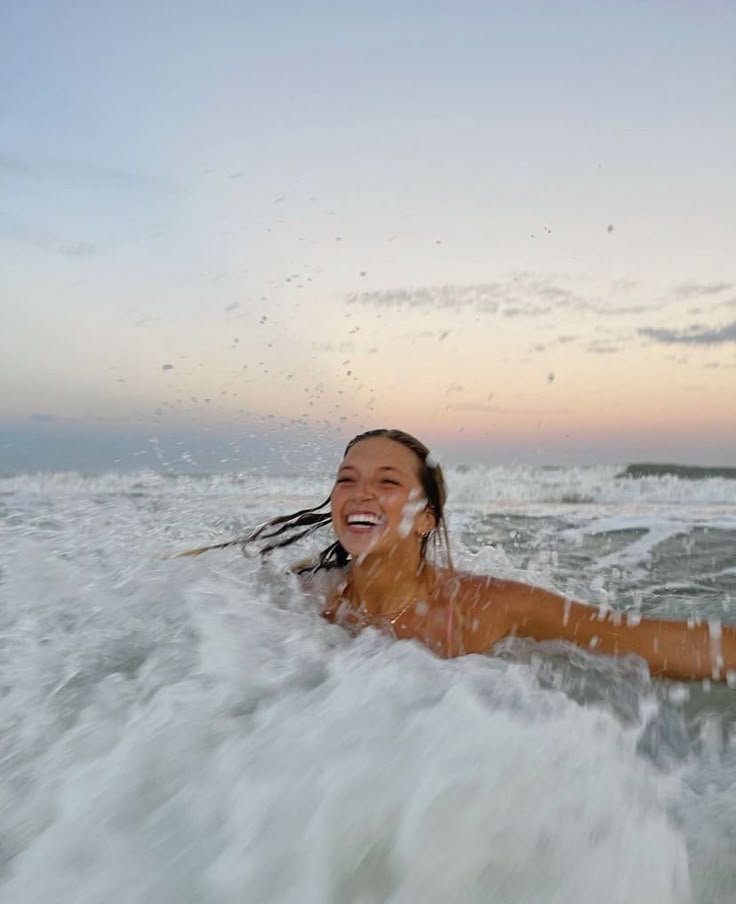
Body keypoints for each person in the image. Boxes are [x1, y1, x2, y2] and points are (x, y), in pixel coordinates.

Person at [241, 429, 735, 680]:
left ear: (427, 518)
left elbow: (628, 637)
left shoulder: (483, 606)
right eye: (346, 479)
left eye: (387, 482)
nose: (360, 493)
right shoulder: (301, 598)